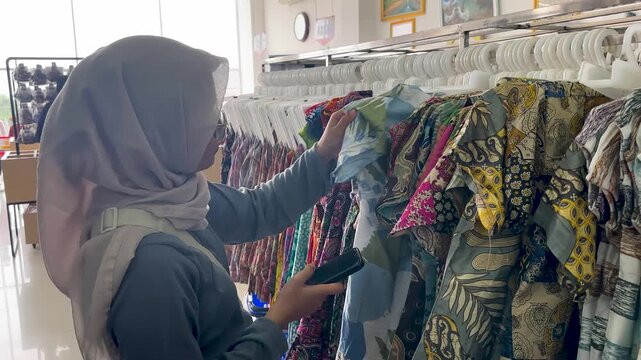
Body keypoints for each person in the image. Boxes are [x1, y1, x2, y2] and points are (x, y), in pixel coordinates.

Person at [37, 36, 357, 360]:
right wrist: (275, 322)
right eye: (205, 119)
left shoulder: (169, 196)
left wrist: (322, 153)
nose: (220, 134)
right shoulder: (149, 269)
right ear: (158, 130)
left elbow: (258, 209)